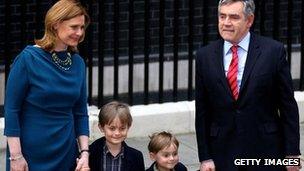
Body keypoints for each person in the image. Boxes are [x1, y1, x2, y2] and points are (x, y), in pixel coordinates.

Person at [195, 0, 301, 171]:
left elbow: (288, 107)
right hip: (222, 152)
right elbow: (202, 111)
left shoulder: (273, 51)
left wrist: (292, 156)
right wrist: (205, 157)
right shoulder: (204, 56)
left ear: (249, 20)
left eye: (234, 17)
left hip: (266, 151)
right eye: (222, 16)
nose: (226, 23)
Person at [4, 0, 90, 170]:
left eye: (82, 27)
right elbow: (11, 110)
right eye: (74, 27)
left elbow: (80, 113)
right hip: (30, 152)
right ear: (56, 24)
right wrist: (15, 157)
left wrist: (85, 153)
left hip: (66, 150)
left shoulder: (78, 63)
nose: (79, 32)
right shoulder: (28, 59)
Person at [89, 101, 145, 171]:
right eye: (112, 128)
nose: (117, 133)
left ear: (128, 127)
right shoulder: (89, 153)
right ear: (101, 127)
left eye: (122, 128)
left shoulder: (136, 156)